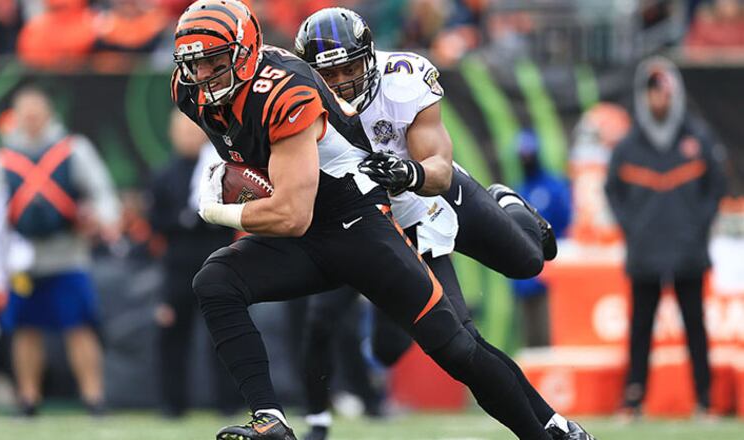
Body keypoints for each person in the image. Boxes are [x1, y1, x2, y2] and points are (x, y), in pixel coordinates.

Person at [173, 1, 570, 439]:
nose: (204, 75)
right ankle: (272, 419)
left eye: (215, 61)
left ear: (247, 53)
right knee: (216, 282)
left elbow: (291, 214)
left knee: (459, 344)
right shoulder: (189, 90)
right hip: (315, 224)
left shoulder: (295, 91)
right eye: (196, 64)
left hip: (362, 219)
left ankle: (548, 430)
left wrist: (217, 209)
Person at [293, 8, 592, 440]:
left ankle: (507, 202)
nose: (340, 82)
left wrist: (408, 172)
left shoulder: (402, 79)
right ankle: (551, 425)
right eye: (329, 73)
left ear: (369, 57)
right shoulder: (296, 107)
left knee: (528, 262)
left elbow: (439, 170)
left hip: (435, 197)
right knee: (435, 348)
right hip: (385, 233)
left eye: (349, 68)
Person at [0, 86, 120, 416]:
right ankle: (28, 398)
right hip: (22, 257)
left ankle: (94, 397)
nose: (32, 120)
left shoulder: (72, 149)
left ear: (48, 114)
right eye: (26, 114)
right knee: (24, 329)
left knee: (79, 326)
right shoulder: (4, 159)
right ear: (17, 117)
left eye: (36, 113)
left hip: (68, 252)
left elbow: (101, 189)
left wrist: (105, 219)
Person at [605, 56, 727, 418]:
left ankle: (705, 399)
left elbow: (716, 186)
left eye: (663, 91)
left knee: (695, 326)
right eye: (652, 91)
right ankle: (633, 399)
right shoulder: (628, 146)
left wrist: (698, 225)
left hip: (688, 249)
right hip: (645, 251)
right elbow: (612, 191)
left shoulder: (697, 138)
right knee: (641, 327)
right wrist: (632, 227)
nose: (658, 98)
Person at [148, 110, 240, 418]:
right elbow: (156, 221)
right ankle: (172, 404)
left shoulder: (221, 170)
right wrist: (183, 220)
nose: (187, 137)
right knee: (173, 334)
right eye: (181, 131)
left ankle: (228, 402)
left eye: (192, 130)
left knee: (223, 333)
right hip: (178, 268)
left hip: (217, 262)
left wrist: (200, 219)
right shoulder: (164, 175)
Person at [512, 129, 572, 347]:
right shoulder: (519, 190)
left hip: (551, 277)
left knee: (551, 338)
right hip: (525, 278)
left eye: (529, 154)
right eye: (522, 155)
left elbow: (566, 225)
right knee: (531, 341)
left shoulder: (554, 187)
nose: (526, 159)